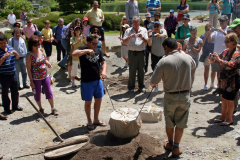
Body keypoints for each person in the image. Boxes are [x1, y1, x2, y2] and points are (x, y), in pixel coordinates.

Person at [150, 38, 196, 157]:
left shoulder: (163, 61)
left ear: (166, 48)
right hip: (185, 95)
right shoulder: (187, 57)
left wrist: (155, 83)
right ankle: (176, 147)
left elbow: (153, 81)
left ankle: (170, 144)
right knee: (181, 123)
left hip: (170, 96)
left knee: (169, 122)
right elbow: (194, 66)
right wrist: (181, 53)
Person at [72, 34, 107, 130]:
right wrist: (87, 51)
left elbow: (103, 62)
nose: (96, 45)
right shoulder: (82, 49)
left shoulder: (98, 50)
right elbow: (74, 54)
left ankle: (96, 119)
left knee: (99, 99)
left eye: (97, 43)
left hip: (97, 80)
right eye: (93, 43)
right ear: (88, 42)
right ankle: (89, 120)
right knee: (88, 102)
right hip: (87, 81)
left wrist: (103, 72)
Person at [210, 33, 240, 125]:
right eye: (225, 41)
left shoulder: (237, 53)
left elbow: (231, 64)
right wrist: (213, 58)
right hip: (224, 79)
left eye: (227, 41)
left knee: (229, 100)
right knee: (223, 98)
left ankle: (229, 119)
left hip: (232, 80)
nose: (225, 43)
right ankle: (223, 116)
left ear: (233, 42)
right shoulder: (226, 51)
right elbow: (219, 59)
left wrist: (220, 61)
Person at [26, 35, 58, 116]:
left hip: (45, 75)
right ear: (31, 45)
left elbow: (44, 60)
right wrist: (31, 81)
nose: (37, 46)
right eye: (35, 45)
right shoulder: (29, 55)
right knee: (37, 94)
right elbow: (29, 69)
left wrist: (48, 63)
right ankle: (40, 108)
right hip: (36, 78)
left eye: (38, 44)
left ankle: (53, 108)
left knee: (49, 92)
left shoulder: (41, 50)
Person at [122, 16, 148, 93]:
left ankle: (141, 86)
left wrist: (142, 37)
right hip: (132, 52)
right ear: (132, 23)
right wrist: (130, 37)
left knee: (141, 71)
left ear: (139, 22)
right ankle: (131, 87)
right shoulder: (128, 30)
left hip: (141, 52)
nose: (136, 24)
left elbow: (147, 41)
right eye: (134, 22)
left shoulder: (143, 30)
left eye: (137, 22)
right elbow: (123, 41)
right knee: (132, 70)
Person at [0, 33, 23, 114]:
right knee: (5, 92)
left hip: (13, 73)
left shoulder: (10, 48)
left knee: (15, 90)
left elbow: (17, 57)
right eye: (1, 43)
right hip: (4, 75)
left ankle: (15, 105)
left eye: (4, 43)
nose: (3, 44)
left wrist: (16, 55)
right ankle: (6, 108)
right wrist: (3, 57)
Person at [207, 15, 229, 94]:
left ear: (227, 21)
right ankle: (219, 87)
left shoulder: (228, 29)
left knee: (225, 72)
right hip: (217, 55)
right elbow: (209, 40)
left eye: (223, 21)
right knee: (217, 72)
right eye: (220, 21)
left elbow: (230, 38)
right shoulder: (216, 31)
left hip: (226, 55)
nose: (221, 22)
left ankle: (225, 87)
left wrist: (222, 32)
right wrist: (209, 33)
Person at [147, 21, 167, 92]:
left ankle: (166, 86)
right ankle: (156, 86)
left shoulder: (163, 31)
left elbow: (165, 35)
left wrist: (159, 35)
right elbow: (149, 44)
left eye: (157, 26)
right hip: (154, 55)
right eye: (154, 26)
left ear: (160, 27)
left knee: (165, 71)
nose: (156, 28)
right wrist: (149, 37)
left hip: (163, 55)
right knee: (155, 71)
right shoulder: (152, 33)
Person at [199, 23, 215, 90]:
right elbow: (201, 45)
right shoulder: (202, 36)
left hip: (214, 55)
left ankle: (212, 83)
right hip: (206, 55)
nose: (207, 31)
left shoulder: (214, 36)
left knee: (213, 70)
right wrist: (205, 36)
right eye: (206, 29)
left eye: (209, 29)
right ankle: (205, 84)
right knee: (206, 69)